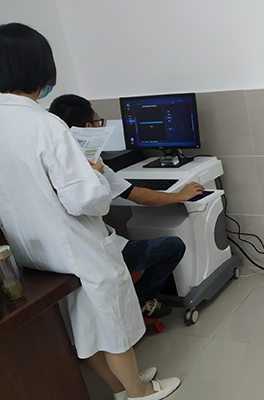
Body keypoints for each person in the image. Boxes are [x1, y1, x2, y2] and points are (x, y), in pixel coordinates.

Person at [0, 23, 180, 400]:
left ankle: (119, 387)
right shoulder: (45, 125)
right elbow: (86, 201)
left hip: (31, 255)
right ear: (40, 67)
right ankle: (139, 391)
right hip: (76, 247)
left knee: (85, 327)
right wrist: (95, 175)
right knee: (113, 322)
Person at [49, 94, 204, 319]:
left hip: (59, 254)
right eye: (99, 121)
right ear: (88, 128)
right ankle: (140, 301)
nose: (100, 126)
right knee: (174, 246)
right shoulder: (93, 165)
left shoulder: (52, 161)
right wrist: (180, 196)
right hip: (93, 251)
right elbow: (139, 196)